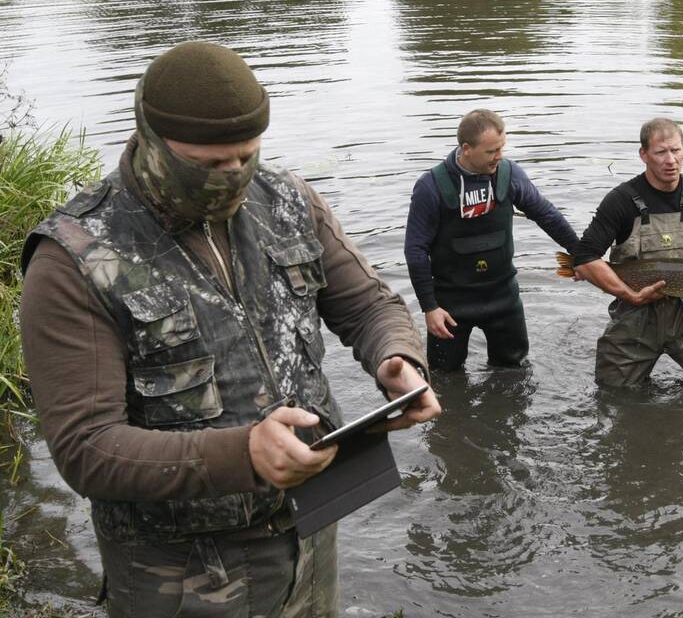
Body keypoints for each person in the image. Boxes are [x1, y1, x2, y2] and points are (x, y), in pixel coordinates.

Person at [18, 41, 442, 617]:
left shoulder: (289, 201)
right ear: (149, 138)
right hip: (182, 573)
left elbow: (370, 304)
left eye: (246, 156)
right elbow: (85, 448)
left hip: (311, 531)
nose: (234, 177)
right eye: (209, 164)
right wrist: (243, 453)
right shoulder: (74, 259)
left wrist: (395, 358)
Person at [571, 118, 683, 391]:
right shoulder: (620, 200)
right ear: (643, 155)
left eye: (676, 151)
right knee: (613, 396)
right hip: (635, 317)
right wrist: (630, 295)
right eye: (661, 152)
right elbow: (585, 258)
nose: (671, 160)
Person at [405, 109, 579, 372]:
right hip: (451, 304)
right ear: (466, 149)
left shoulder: (509, 175)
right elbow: (415, 250)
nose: (499, 156)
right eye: (491, 151)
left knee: (515, 374)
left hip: (503, 297)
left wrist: (580, 253)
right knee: (444, 378)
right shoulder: (431, 186)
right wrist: (429, 307)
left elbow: (546, 214)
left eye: (501, 148)